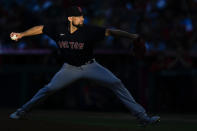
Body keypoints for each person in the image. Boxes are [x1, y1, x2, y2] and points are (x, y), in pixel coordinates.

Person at [9, 6, 160, 126]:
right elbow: (40, 29)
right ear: (70, 18)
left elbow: (110, 32)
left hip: (91, 66)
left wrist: (132, 36)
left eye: (82, 15)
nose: (82, 18)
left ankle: (143, 117)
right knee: (49, 89)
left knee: (116, 83)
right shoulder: (58, 28)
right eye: (79, 16)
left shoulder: (89, 30)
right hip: (69, 68)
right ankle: (21, 111)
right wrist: (22, 34)